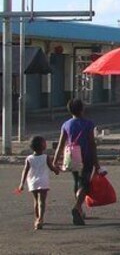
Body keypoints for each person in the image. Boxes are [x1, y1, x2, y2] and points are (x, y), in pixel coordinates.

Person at [54, 98, 99, 226]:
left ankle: (80, 210)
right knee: (84, 183)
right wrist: (96, 162)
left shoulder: (66, 124)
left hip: (72, 157)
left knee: (76, 182)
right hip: (86, 157)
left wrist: (55, 161)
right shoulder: (88, 124)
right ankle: (77, 206)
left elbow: (61, 144)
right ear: (82, 109)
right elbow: (92, 143)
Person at [17, 135, 60, 230]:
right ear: (43, 146)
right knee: (42, 201)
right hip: (43, 181)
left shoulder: (29, 158)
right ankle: (41, 218)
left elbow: (25, 171)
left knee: (36, 201)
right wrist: (57, 171)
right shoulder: (45, 157)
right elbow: (52, 168)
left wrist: (21, 184)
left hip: (33, 182)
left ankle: (37, 219)